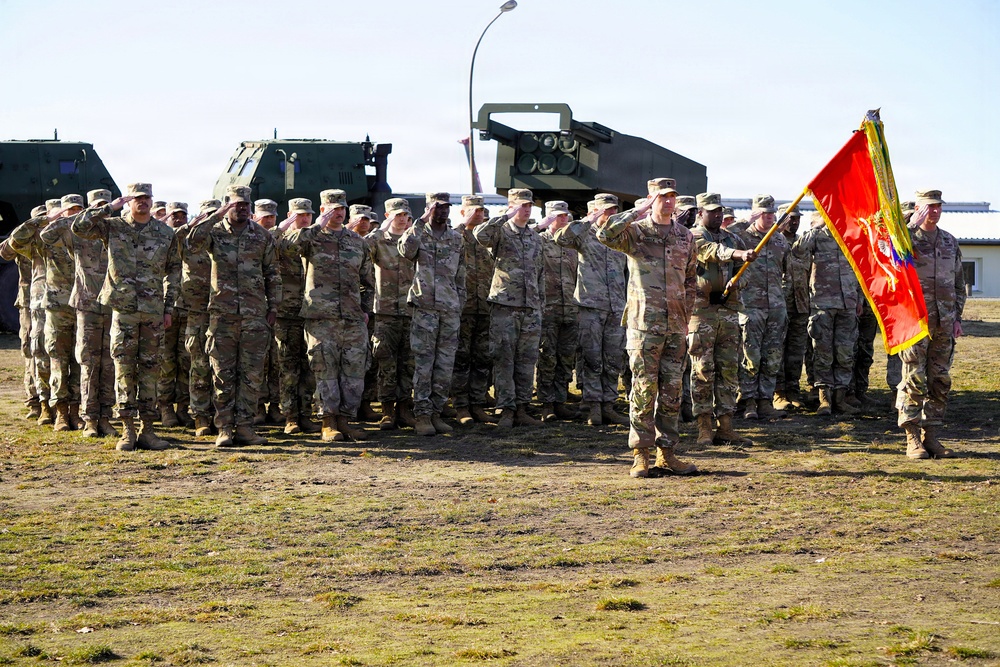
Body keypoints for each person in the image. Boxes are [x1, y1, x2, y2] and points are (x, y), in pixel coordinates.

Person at [597, 177, 698, 478]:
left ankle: (667, 454)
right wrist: (635, 211)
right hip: (644, 326)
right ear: (651, 199)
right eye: (661, 197)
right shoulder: (637, 233)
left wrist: (686, 316)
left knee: (672, 392)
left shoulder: (685, 236)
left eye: (672, 197)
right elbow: (604, 234)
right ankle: (641, 455)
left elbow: (690, 279)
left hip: (676, 326)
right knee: (643, 391)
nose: (668, 202)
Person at [72, 183, 181, 451]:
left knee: (150, 370)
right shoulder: (114, 226)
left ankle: (148, 430)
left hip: (153, 311)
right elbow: (79, 227)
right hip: (123, 311)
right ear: (129, 201)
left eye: (147, 198)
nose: (143, 202)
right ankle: (127, 431)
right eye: (137, 198)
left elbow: (174, 271)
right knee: (123, 369)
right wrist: (111, 206)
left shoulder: (165, 233)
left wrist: (168, 308)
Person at [186, 185, 281, 447]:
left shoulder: (261, 236)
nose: (241, 208)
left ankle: (246, 428)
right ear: (227, 205)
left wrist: (273, 307)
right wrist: (215, 216)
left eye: (245, 205)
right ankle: (225, 428)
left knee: (251, 375)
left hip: (254, 315)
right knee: (222, 374)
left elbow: (272, 273)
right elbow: (191, 243)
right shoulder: (214, 233)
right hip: (222, 315)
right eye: (236, 204)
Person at [285, 189, 374, 442]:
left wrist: (365, 309)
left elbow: (368, 280)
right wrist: (316, 226)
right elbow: (289, 246)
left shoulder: (357, 242)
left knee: (354, 370)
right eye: (333, 209)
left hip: (352, 318)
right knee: (325, 369)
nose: (339, 213)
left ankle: (346, 421)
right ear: (323, 210)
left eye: (342, 209)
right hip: (321, 317)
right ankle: (328, 422)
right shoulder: (311, 238)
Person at [39, 189, 117, 437]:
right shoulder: (76, 233)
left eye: (105, 205)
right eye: (96, 206)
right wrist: (67, 215)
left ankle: (102, 416)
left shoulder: (115, 231)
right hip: (82, 304)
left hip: (109, 305)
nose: (101, 210)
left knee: (107, 365)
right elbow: (46, 235)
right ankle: (64, 412)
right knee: (72, 360)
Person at [898, 190, 965, 459]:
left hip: (944, 322)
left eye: (938, 206)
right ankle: (912, 437)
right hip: (916, 322)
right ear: (917, 208)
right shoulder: (906, 239)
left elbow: (959, 284)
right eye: (929, 207)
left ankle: (932, 436)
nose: (934, 211)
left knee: (939, 379)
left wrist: (957, 317)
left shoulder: (949, 241)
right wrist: (911, 224)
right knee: (914, 378)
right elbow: (886, 252)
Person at [688, 192, 756, 447]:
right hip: (700, 312)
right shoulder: (692, 236)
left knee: (728, 369)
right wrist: (739, 255)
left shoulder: (733, 238)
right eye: (712, 211)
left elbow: (747, 272)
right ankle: (703, 427)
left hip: (727, 311)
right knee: (703, 370)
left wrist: (738, 281)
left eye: (720, 211)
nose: (717, 215)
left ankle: (725, 425)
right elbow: (711, 252)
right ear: (700, 214)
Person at [554, 193, 628, 426]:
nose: (610, 214)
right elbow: (561, 239)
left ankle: (609, 405)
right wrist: (588, 220)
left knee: (613, 358)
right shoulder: (583, 235)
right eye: (605, 210)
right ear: (595, 211)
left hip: (616, 306)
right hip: (590, 306)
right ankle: (593, 406)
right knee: (591, 358)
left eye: (613, 210)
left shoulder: (620, 237)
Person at [474, 188, 546, 428]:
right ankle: (506, 408)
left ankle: (523, 408)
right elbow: (480, 235)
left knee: (527, 360)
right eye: (521, 205)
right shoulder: (501, 232)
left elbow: (540, 274)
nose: (526, 209)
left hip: (530, 307)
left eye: (529, 206)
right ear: (511, 206)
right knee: (504, 358)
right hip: (505, 305)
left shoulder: (535, 238)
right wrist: (504, 215)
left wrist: (540, 305)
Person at [14, 194, 85, 432]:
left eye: (78, 209)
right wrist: (41, 221)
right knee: (49, 357)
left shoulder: (87, 236)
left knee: (78, 361)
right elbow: (12, 244)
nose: (74, 214)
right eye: (69, 210)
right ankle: (50, 407)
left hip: (80, 305)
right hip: (50, 305)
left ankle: (75, 412)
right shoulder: (46, 238)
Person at [398, 193, 466, 435]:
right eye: (438, 207)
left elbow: (460, 276)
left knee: (445, 364)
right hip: (425, 308)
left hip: (449, 309)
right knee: (424, 363)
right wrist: (419, 222)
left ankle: (436, 412)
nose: (443, 211)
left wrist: (459, 304)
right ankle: (423, 416)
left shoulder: (456, 238)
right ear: (428, 209)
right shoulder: (418, 233)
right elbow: (406, 251)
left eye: (447, 207)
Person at [793, 208, 863, 416]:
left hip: (848, 303)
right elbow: (798, 250)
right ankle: (824, 399)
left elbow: (859, 270)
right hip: (823, 302)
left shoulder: (852, 235)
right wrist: (819, 225)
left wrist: (858, 299)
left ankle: (840, 399)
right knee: (822, 352)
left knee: (845, 352)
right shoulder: (818, 236)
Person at [735, 195, 790, 420]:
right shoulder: (741, 238)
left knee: (773, 355)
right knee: (750, 355)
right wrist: (745, 221)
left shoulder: (779, 240)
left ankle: (765, 401)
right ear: (756, 214)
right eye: (764, 213)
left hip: (776, 306)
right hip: (750, 306)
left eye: (771, 213)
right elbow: (723, 234)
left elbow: (786, 271)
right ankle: (747, 401)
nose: (769, 217)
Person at [364, 198, 416, 430]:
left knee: (408, 363)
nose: (402, 219)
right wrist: (380, 231)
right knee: (386, 361)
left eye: (405, 215)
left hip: (410, 310)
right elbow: (360, 247)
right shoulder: (377, 241)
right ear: (387, 216)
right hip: (384, 311)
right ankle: (387, 411)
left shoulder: (414, 240)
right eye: (397, 215)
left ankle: (404, 409)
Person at [271, 198, 320, 435]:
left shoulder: (315, 238)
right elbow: (269, 241)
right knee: (288, 368)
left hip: (310, 314)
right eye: (300, 215)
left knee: (309, 368)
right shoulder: (279, 240)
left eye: (308, 215)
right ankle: (290, 416)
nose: (305, 219)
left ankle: (306, 414)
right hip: (286, 314)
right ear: (289, 215)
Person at [177, 199, 220, 437]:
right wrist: (194, 223)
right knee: (199, 366)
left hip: (222, 311)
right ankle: (200, 417)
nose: (212, 219)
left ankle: (220, 415)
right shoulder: (189, 241)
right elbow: (174, 240)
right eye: (208, 215)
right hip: (197, 311)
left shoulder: (224, 239)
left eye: (216, 215)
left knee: (222, 367)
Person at [452, 195, 496, 425]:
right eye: (472, 211)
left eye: (480, 211)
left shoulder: (488, 238)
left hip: (485, 307)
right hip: (463, 307)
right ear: (462, 212)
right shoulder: (454, 236)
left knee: (482, 359)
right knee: (461, 358)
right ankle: (461, 407)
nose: (477, 215)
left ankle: (478, 404)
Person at [536, 200, 579, 421]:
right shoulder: (538, 241)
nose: (563, 219)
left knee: (565, 358)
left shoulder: (572, 243)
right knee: (547, 356)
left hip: (570, 308)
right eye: (558, 216)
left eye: (565, 215)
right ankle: (546, 404)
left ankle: (560, 400)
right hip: (547, 308)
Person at [0, 206, 44, 423]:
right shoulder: (24, 241)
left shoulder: (56, 239)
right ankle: (33, 401)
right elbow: (5, 251)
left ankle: (53, 401)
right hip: (29, 303)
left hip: (56, 302)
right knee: (30, 350)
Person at [157, 202, 194, 429]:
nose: (179, 219)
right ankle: (165, 407)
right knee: (165, 361)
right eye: (174, 216)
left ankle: (183, 407)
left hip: (189, 307)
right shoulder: (160, 239)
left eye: (183, 216)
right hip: (166, 308)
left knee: (185, 360)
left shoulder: (192, 241)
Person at [252, 198, 284, 426]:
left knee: (276, 361)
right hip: (253, 309)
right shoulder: (249, 239)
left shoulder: (279, 239)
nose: (270, 222)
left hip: (275, 308)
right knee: (257, 362)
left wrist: (274, 306)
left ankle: (275, 406)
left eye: (273, 217)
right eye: (265, 218)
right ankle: (257, 407)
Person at [774, 205, 809, 411]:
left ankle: (793, 390)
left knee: (796, 351)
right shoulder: (774, 241)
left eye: (797, 219)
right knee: (778, 349)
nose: (794, 222)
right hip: (781, 303)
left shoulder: (803, 243)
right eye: (790, 219)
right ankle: (778, 393)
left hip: (801, 303)